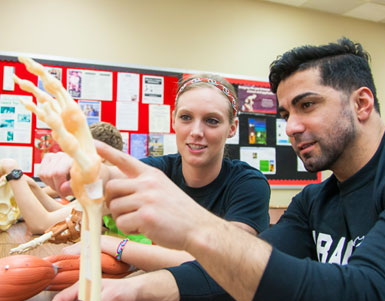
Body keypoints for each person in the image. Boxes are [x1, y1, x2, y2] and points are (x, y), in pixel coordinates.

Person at [29, 38, 385, 301]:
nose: (290, 128)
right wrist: (127, 293)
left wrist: (195, 226)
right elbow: (235, 273)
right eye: (287, 114)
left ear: (361, 103)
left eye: (307, 105)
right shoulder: (314, 200)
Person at [60, 74, 271, 271]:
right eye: (186, 117)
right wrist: (80, 167)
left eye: (212, 121)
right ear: (173, 120)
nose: (196, 132)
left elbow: (225, 260)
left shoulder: (248, 184)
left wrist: (111, 244)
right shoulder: (157, 169)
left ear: (232, 128)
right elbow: (112, 176)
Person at [0, 122, 123, 234]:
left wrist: (11, 168)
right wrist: (33, 186)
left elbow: (42, 225)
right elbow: (65, 211)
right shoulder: (103, 186)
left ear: (99, 154)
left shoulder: (113, 188)